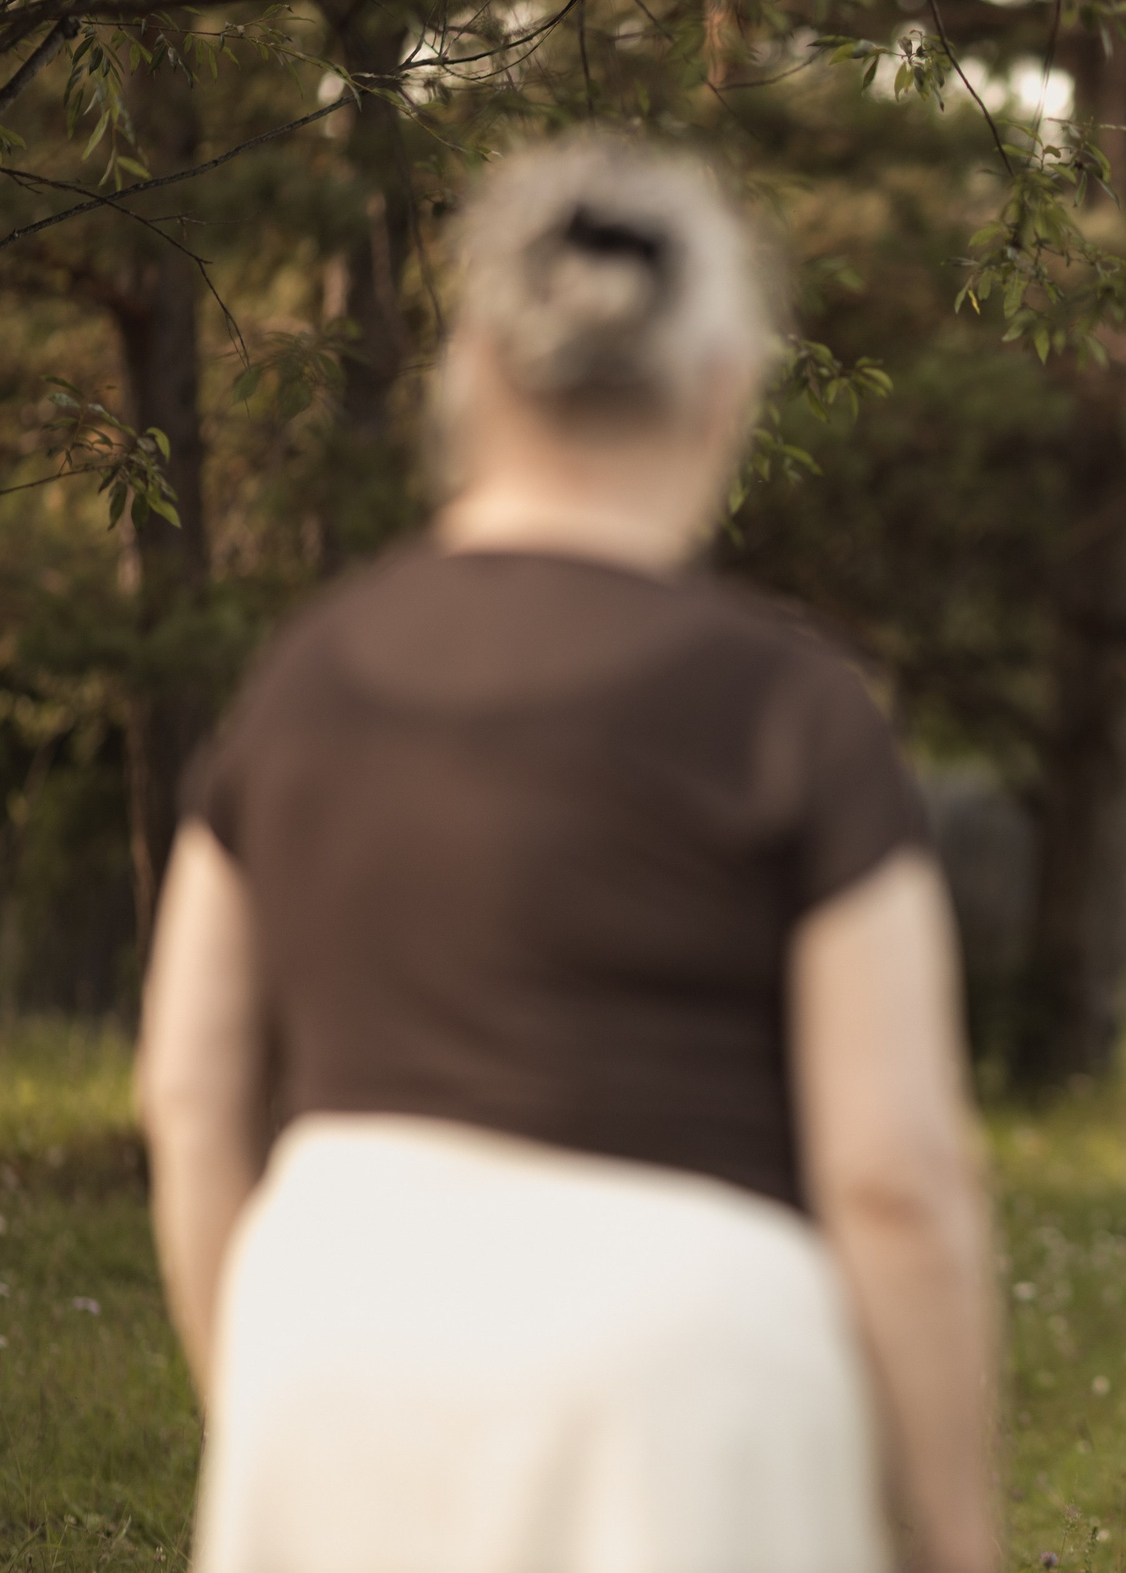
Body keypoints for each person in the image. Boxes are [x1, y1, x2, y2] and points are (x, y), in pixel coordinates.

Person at [134, 137, 999, 1573]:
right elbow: (896, 1171)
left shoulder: (309, 674)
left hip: (337, 1318)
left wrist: (274, 1391)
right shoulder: (789, 704)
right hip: (680, 1367)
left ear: (472, 366)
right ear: (725, 387)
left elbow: (188, 1086)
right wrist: (956, 1532)